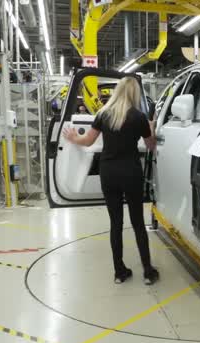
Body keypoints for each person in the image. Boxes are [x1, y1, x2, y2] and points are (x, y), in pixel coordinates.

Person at [62, 77, 159, 285]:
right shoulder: (139, 117)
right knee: (138, 223)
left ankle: (119, 272)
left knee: (116, 223)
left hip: (109, 172)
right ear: (133, 94)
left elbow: (87, 140)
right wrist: (151, 128)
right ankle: (148, 272)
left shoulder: (103, 114)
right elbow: (151, 146)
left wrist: (72, 138)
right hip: (131, 172)